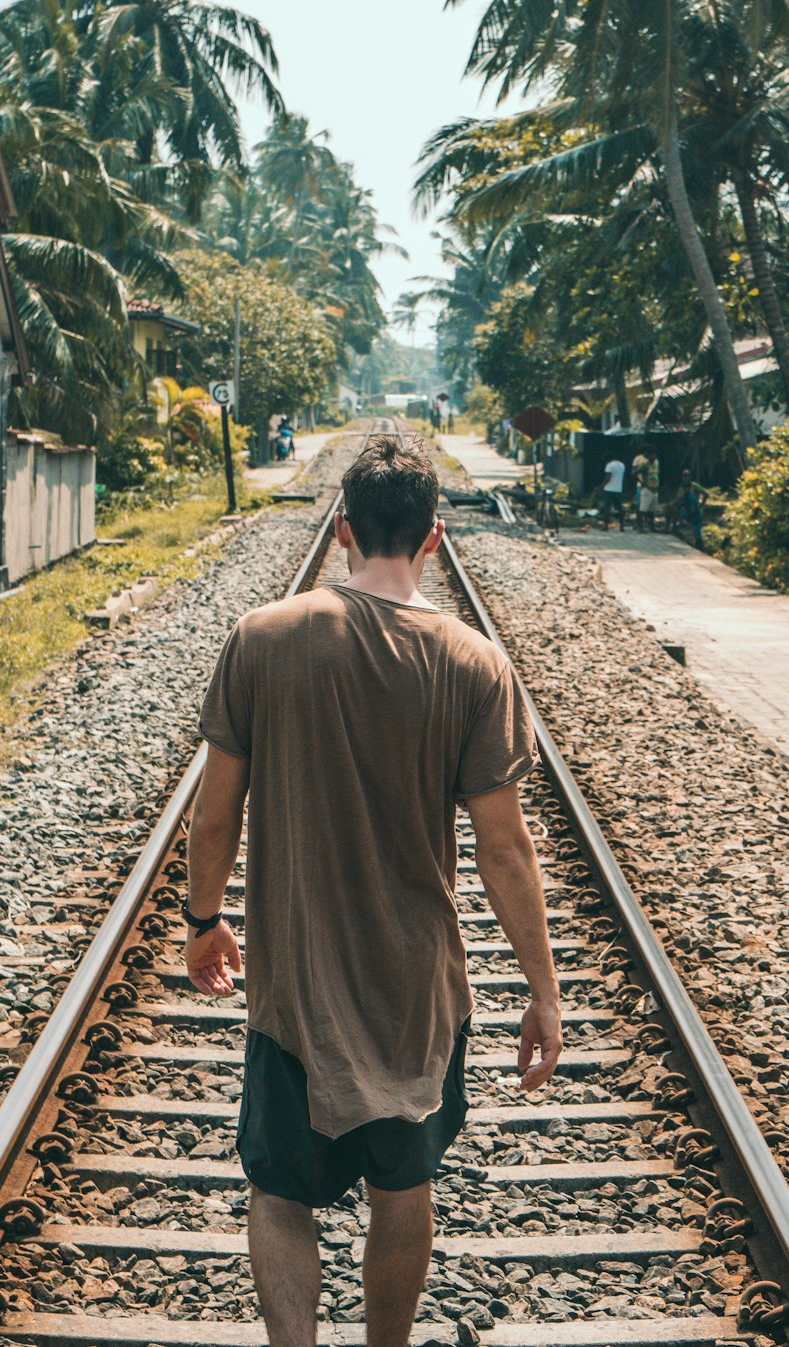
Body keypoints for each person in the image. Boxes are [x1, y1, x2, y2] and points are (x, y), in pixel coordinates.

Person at [186, 436, 561, 1347]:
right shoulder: (473, 662)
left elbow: (213, 815)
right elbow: (505, 850)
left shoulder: (263, 637)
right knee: (405, 1184)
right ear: (432, 538)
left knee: (278, 1191)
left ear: (343, 530)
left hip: (296, 989)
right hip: (416, 990)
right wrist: (543, 991)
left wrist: (205, 922)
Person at [670, 469, 706, 551]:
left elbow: (693, 508)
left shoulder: (691, 496)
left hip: (695, 515)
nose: (685, 477)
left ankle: (700, 548)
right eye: (684, 476)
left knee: (697, 532)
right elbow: (679, 500)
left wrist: (701, 506)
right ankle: (675, 527)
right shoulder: (684, 494)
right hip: (688, 512)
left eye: (687, 476)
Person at [636, 451, 660, 533]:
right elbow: (635, 472)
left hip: (655, 489)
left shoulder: (656, 463)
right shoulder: (645, 465)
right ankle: (640, 528)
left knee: (652, 510)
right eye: (651, 455)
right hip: (647, 489)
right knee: (642, 510)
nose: (653, 457)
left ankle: (652, 527)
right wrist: (642, 482)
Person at [600, 454, 626, 530]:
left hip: (609, 489)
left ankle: (605, 526)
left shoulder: (609, 465)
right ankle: (622, 526)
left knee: (607, 508)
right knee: (619, 508)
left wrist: (601, 486)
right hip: (618, 489)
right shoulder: (622, 465)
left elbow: (608, 477)